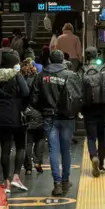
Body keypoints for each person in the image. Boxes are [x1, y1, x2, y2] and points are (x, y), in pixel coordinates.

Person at [31, 49, 79, 196]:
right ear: (62, 61)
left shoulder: (41, 76)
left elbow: (34, 98)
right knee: (66, 150)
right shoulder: (70, 75)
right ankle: (65, 181)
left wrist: (44, 109)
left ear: (50, 60)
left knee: (53, 150)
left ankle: (56, 184)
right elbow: (78, 96)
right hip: (67, 118)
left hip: (49, 117)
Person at [0, 49, 31, 192]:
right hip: (16, 115)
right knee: (20, 146)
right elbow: (25, 92)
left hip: (1, 115)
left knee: (5, 148)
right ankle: (16, 177)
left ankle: (5, 181)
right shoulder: (16, 75)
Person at [79, 48, 105, 177]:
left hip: (88, 108)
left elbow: (77, 90)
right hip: (103, 108)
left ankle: (93, 157)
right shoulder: (104, 70)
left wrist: (78, 109)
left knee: (91, 136)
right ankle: (101, 164)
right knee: (102, 136)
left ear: (86, 56)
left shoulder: (81, 70)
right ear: (97, 55)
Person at [21, 55, 47, 174]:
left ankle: (28, 168)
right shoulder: (40, 78)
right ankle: (38, 162)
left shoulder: (21, 79)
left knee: (28, 141)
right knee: (40, 138)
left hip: (27, 111)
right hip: (40, 111)